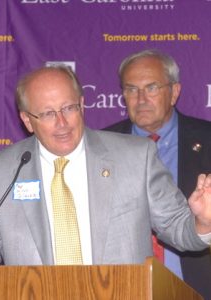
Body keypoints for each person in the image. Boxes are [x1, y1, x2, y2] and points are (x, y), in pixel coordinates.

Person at [0, 65, 211, 276]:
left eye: (69, 108)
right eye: (48, 113)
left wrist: (203, 221)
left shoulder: (136, 157)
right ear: (27, 120)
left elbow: (177, 227)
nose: (62, 123)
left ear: (82, 104)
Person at [104, 49, 211, 299]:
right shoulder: (101, 147)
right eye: (131, 89)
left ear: (174, 92)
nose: (141, 98)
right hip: (122, 288)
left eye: (151, 87)